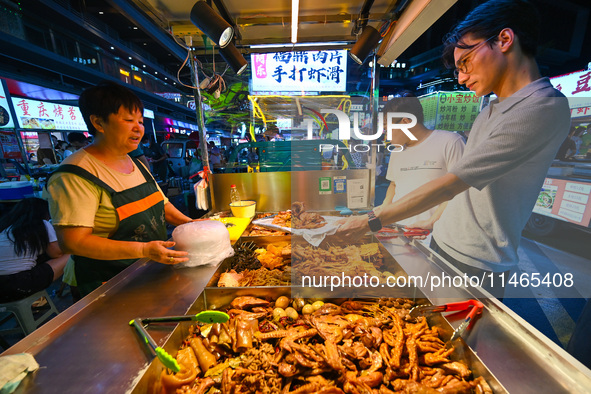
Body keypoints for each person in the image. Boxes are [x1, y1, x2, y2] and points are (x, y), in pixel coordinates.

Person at [337, 0, 571, 297]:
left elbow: (451, 184)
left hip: (478, 260)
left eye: (465, 63)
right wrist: (433, 224)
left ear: (504, 40)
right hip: (443, 242)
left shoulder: (542, 107)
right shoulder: (491, 107)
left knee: (458, 340)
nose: (461, 78)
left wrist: (372, 220)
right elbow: (463, 191)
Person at [45, 81, 193, 297]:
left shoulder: (136, 164)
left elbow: (162, 205)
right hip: (104, 282)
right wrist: (143, 250)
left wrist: (194, 225)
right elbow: (72, 242)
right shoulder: (74, 174)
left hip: (146, 269)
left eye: (140, 122)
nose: (138, 128)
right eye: (128, 120)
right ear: (98, 122)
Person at [382, 91, 465, 229]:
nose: (386, 136)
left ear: (405, 122)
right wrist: (384, 210)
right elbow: (394, 184)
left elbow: (459, 189)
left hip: (433, 232)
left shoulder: (450, 142)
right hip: (399, 228)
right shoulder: (397, 150)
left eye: (387, 129)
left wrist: (431, 222)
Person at [0, 198, 69, 302]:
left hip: (2, 285)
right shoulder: (41, 224)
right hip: (16, 285)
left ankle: (37, 301)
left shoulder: (6, 229)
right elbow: (57, 253)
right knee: (72, 253)